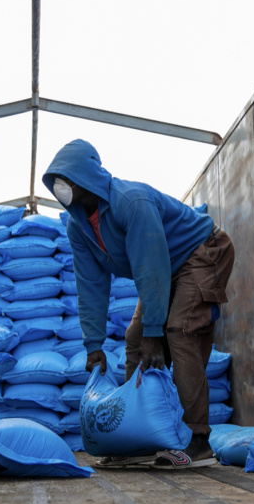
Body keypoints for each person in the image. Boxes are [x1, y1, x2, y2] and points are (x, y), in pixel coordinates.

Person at [42, 139, 234, 468]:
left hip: (203, 250)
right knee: (135, 339)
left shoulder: (131, 202)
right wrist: (93, 344)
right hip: (167, 267)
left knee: (179, 330)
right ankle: (139, 437)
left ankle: (198, 440)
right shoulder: (78, 227)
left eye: (67, 179)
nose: (61, 188)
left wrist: (154, 332)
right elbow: (90, 283)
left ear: (87, 176)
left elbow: (150, 266)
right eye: (56, 182)